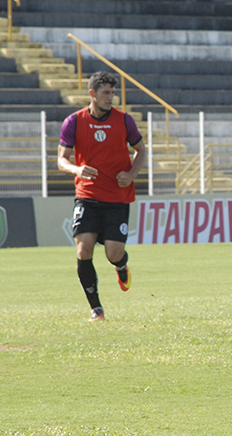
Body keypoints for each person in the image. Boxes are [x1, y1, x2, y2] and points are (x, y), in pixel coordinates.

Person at [57, 71, 147, 321]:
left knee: (113, 254)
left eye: (113, 92)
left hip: (117, 197)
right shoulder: (73, 122)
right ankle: (96, 309)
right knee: (83, 250)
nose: (111, 97)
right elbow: (61, 161)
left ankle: (121, 266)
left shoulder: (124, 121)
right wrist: (77, 169)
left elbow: (141, 150)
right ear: (92, 94)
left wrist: (131, 174)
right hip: (87, 195)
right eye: (106, 93)